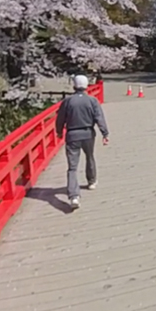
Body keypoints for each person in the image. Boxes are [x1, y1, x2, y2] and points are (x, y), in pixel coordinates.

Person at [53, 74, 109, 209]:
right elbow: (99, 117)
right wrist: (104, 133)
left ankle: (74, 196)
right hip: (88, 133)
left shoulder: (67, 101)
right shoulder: (92, 100)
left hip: (72, 134)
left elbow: (60, 119)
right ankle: (91, 181)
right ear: (86, 86)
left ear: (74, 85)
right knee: (90, 157)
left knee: (72, 166)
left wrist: (59, 131)